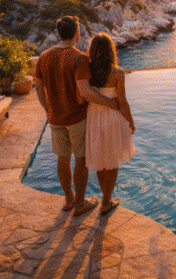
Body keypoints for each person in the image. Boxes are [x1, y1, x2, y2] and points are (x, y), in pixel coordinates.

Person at [35, 16, 112, 216]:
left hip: (55, 118)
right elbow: (85, 91)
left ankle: (68, 199)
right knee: (80, 159)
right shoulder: (79, 58)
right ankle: (79, 204)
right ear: (77, 33)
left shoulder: (44, 56)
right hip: (77, 118)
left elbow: (38, 87)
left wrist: (47, 109)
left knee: (62, 158)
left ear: (59, 33)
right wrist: (111, 103)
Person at [80, 32, 135, 215]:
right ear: (111, 50)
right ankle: (106, 201)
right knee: (112, 163)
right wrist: (131, 121)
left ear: (92, 50)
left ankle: (106, 199)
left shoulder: (86, 72)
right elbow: (123, 102)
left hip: (94, 118)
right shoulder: (118, 73)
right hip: (113, 118)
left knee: (100, 160)